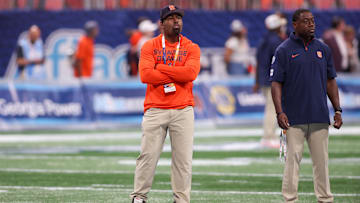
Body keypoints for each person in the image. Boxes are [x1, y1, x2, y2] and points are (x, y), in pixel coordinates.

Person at [270, 9, 343, 203]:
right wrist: (279, 112)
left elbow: (330, 81)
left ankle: (325, 199)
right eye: (306, 21)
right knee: (292, 163)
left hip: (319, 115)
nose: (311, 24)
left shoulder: (323, 49)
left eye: (312, 21)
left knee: (322, 163)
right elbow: (276, 82)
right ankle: (290, 199)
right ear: (295, 25)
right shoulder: (283, 50)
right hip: (293, 118)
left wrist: (337, 109)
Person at [130, 5, 201, 203]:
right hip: (155, 108)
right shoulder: (149, 46)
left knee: (183, 160)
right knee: (147, 156)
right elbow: (145, 75)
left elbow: (190, 74)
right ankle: (139, 197)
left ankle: (181, 199)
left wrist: (160, 67)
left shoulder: (191, 47)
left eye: (178, 17)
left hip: (183, 109)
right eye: (171, 18)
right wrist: (175, 71)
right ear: (161, 24)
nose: (176, 21)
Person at [253, 14, 286, 148]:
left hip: (264, 79)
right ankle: (268, 136)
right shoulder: (276, 41)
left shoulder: (263, 40)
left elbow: (259, 62)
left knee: (272, 108)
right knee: (273, 109)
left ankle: (269, 135)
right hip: (273, 80)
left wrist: (257, 81)